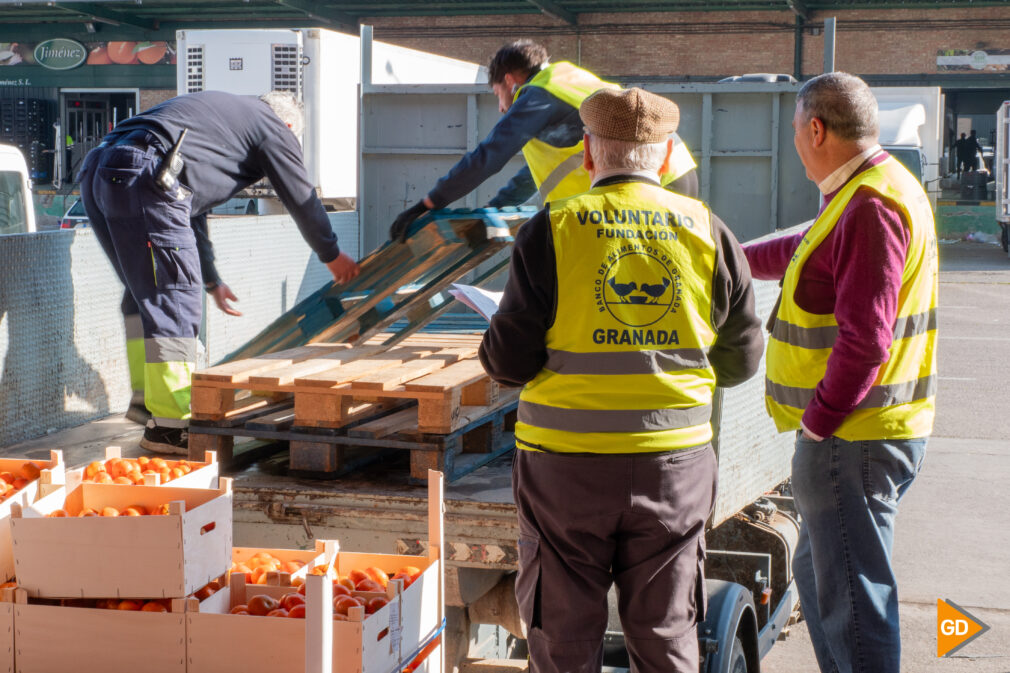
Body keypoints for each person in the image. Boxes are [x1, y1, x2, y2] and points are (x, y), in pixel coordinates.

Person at [479, 87, 763, 672]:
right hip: (675, 470)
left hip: (564, 473)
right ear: (665, 157)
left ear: (587, 153)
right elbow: (739, 363)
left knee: (561, 640)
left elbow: (507, 362)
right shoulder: (710, 233)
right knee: (665, 636)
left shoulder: (552, 230)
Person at [743, 72, 937, 673]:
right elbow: (809, 250)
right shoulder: (873, 189)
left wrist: (819, 424)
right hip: (870, 434)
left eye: (797, 130)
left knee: (853, 604)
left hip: (852, 438)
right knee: (825, 580)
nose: (796, 141)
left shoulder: (870, 207)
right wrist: (728, 257)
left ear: (817, 129)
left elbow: (865, 341)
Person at [78, 90, 360, 453]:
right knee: (172, 300)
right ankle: (170, 426)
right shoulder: (273, 126)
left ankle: (147, 404)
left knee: (145, 292)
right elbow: (300, 196)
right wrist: (331, 254)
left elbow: (187, 206)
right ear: (289, 125)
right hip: (146, 173)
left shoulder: (223, 119)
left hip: (102, 169)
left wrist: (211, 279)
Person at [389, 40, 699, 241]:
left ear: (510, 80)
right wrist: (493, 209)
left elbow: (490, 155)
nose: (500, 107)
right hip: (672, 172)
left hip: (648, 184)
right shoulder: (569, 81)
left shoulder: (539, 95)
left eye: (498, 94)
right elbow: (539, 175)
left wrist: (427, 204)